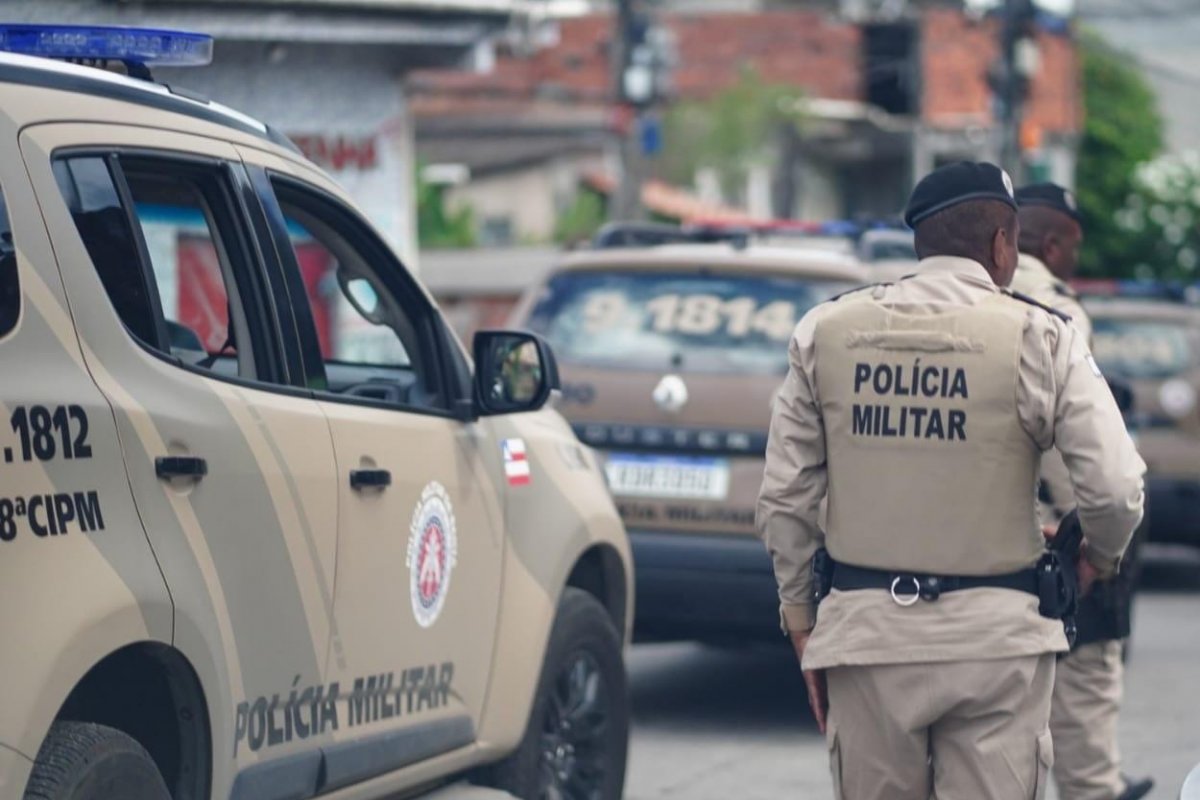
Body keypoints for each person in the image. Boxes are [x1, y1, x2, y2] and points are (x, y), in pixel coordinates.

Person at [757, 161, 1146, 800]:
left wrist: (801, 618)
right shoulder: (1041, 335)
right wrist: (1094, 559)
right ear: (1002, 244)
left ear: (922, 243)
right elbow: (1115, 485)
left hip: (868, 637)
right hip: (998, 644)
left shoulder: (826, 332)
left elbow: (784, 500)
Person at [1013, 182, 1155, 800]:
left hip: (964, 545)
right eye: (1071, 248)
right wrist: (1095, 549)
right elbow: (1086, 458)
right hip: (1052, 531)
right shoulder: (1058, 309)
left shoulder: (938, 296)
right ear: (1051, 244)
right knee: (1086, 682)